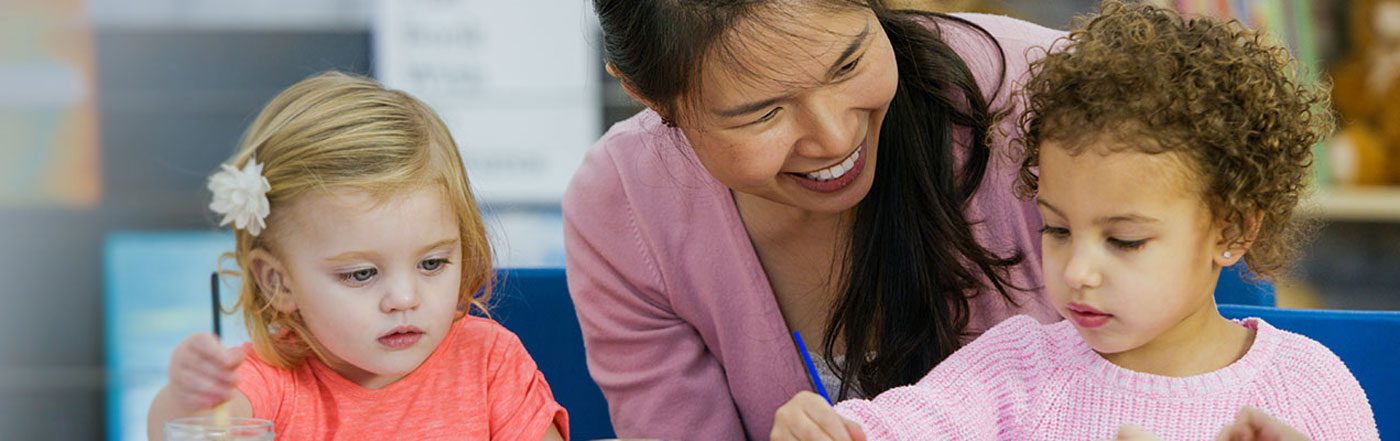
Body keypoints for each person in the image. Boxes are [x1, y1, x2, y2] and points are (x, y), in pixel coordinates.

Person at [769, 2, 1378, 440]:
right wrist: (839, 429)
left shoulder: (1307, 391)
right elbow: (912, 422)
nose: (1078, 272)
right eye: (1057, 229)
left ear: (1232, 231)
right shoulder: (1017, 368)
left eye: (1124, 240)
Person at [566, 0, 1065, 438]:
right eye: (763, 114)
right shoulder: (623, 208)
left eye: (847, 64)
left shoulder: (1043, 91)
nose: (834, 138)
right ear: (647, 96)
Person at [146, 71, 568, 440]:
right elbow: (197, 431)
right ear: (278, 281)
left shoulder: (490, 362)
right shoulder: (267, 384)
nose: (404, 298)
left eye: (432, 264)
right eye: (362, 273)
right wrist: (190, 400)